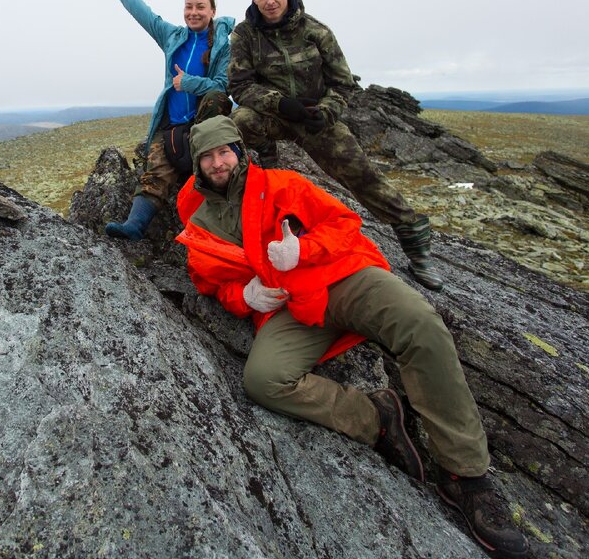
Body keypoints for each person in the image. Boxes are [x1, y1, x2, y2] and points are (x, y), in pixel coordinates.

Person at [176, 115, 530, 559]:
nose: (218, 161)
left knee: (420, 324)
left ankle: (465, 474)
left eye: (224, 150)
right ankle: (377, 417)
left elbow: (344, 223)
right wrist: (243, 296)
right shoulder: (198, 217)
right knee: (263, 381)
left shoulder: (283, 185)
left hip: (342, 278)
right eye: (207, 155)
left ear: (239, 151)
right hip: (294, 308)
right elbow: (206, 280)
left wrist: (302, 250)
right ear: (197, 163)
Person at [227, 0, 443, 290]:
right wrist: (281, 104)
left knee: (363, 175)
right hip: (275, 115)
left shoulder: (317, 32)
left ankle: (415, 244)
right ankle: (265, 165)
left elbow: (343, 85)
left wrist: (326, 112)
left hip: (316, 121)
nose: (270, 0)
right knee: (238, 124)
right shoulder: (245, 35)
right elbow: (240, 86)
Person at [99, 0, 235, 240]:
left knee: (214, 99)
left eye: (200, 7)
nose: (193, 12)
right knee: (156, 173)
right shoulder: (172, 36)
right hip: (172, 126)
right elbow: (142, 13)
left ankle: (215, 231)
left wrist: (187, 83)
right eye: (189, 6)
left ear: (212, 12)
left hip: (204, 125)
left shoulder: (223, 46)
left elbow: (222, 86)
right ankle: (135, 226)